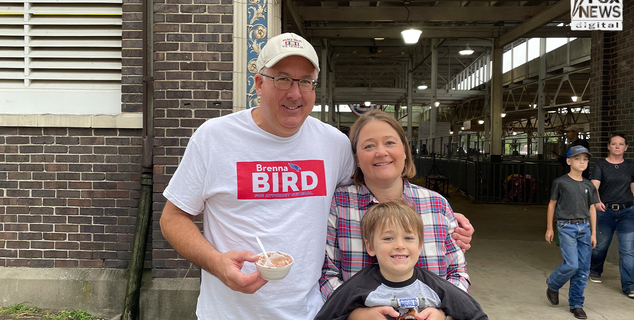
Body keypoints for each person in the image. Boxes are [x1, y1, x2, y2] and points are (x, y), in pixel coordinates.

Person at [159, 33, 474, 320]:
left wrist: (439, 217)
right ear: (258, 83)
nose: (295, 93)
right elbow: (172, 218)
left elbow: (371, 194)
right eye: (282, 79)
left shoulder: (333, 143)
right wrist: (216, 263)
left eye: (305, 81)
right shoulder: (214, 138)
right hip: (230, 312)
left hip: (314, 312)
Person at [320, 110, 470, 320]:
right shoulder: (338, 205)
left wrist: (442, 312)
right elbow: (327, 274)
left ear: (405, 150)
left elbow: (457, 272)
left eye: (390, 142)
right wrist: (357, 314)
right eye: (369, 146)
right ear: (356, 158)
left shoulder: (437, 204)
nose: (381, 152)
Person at [314, 201, 488, 320]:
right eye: (388, 238)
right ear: (370, 247)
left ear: (420, 246)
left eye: (408, 238)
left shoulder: (437, 287)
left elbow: (476, 315)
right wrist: (356, 316)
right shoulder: (356, 287)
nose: (399, 245)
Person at [545, 145, 597, 320]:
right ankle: (553, 284)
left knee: (583, 269)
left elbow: (592, 208)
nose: (582, 162)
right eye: (577, 159)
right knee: (572, 264)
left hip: (585, 227)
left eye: (585, 159)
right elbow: (552, 204)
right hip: (566, 226)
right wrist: (550, 228)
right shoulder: (561, 182)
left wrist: (594, 232)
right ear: (568, 161)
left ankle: (576, 304)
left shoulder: (589, 185)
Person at [588, 133, 634, 299]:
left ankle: (629, 286)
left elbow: (633, 186)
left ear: (626, 147)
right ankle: (595, 270)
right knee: (600, 245)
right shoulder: (601, 165)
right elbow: (594, 186)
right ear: (608, 146)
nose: (617, 147)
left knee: (628, 250)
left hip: (627, 211)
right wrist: (596, 202)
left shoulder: (630, 166)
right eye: (614, 144)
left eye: (621, 144)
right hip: (605, 211)